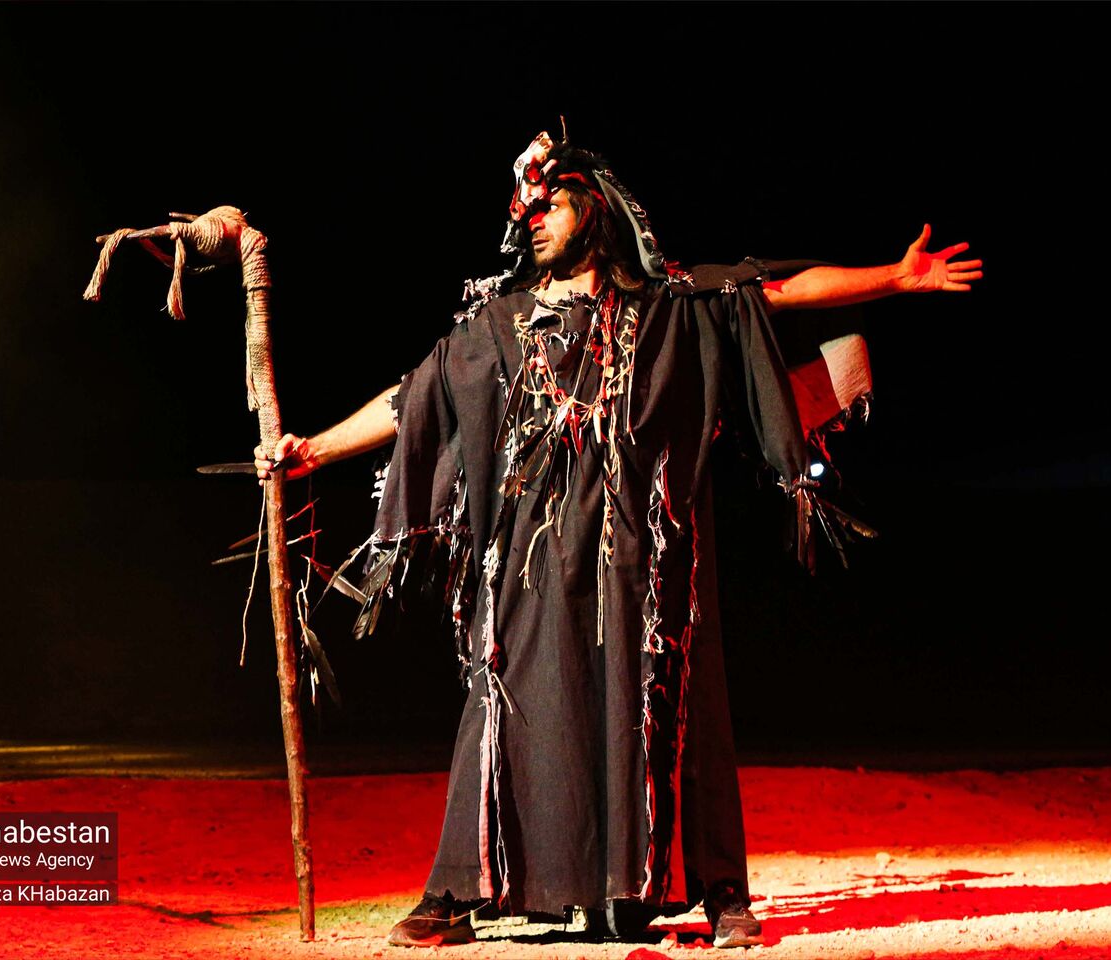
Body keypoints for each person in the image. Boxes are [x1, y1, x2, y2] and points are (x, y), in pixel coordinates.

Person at [256, 131, 981, 949]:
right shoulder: (500, 324)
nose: (532, 221)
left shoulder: (669, 307)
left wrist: (895, 277)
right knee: (505, 702)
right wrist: (314, 449)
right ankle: (456, 890)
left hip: (649, 556)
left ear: (593, 208)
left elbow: (776, 292)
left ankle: (722, 892)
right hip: (532, 563)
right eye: (524, 212)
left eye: (549, 205)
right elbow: (411, 398)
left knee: (676, 706)